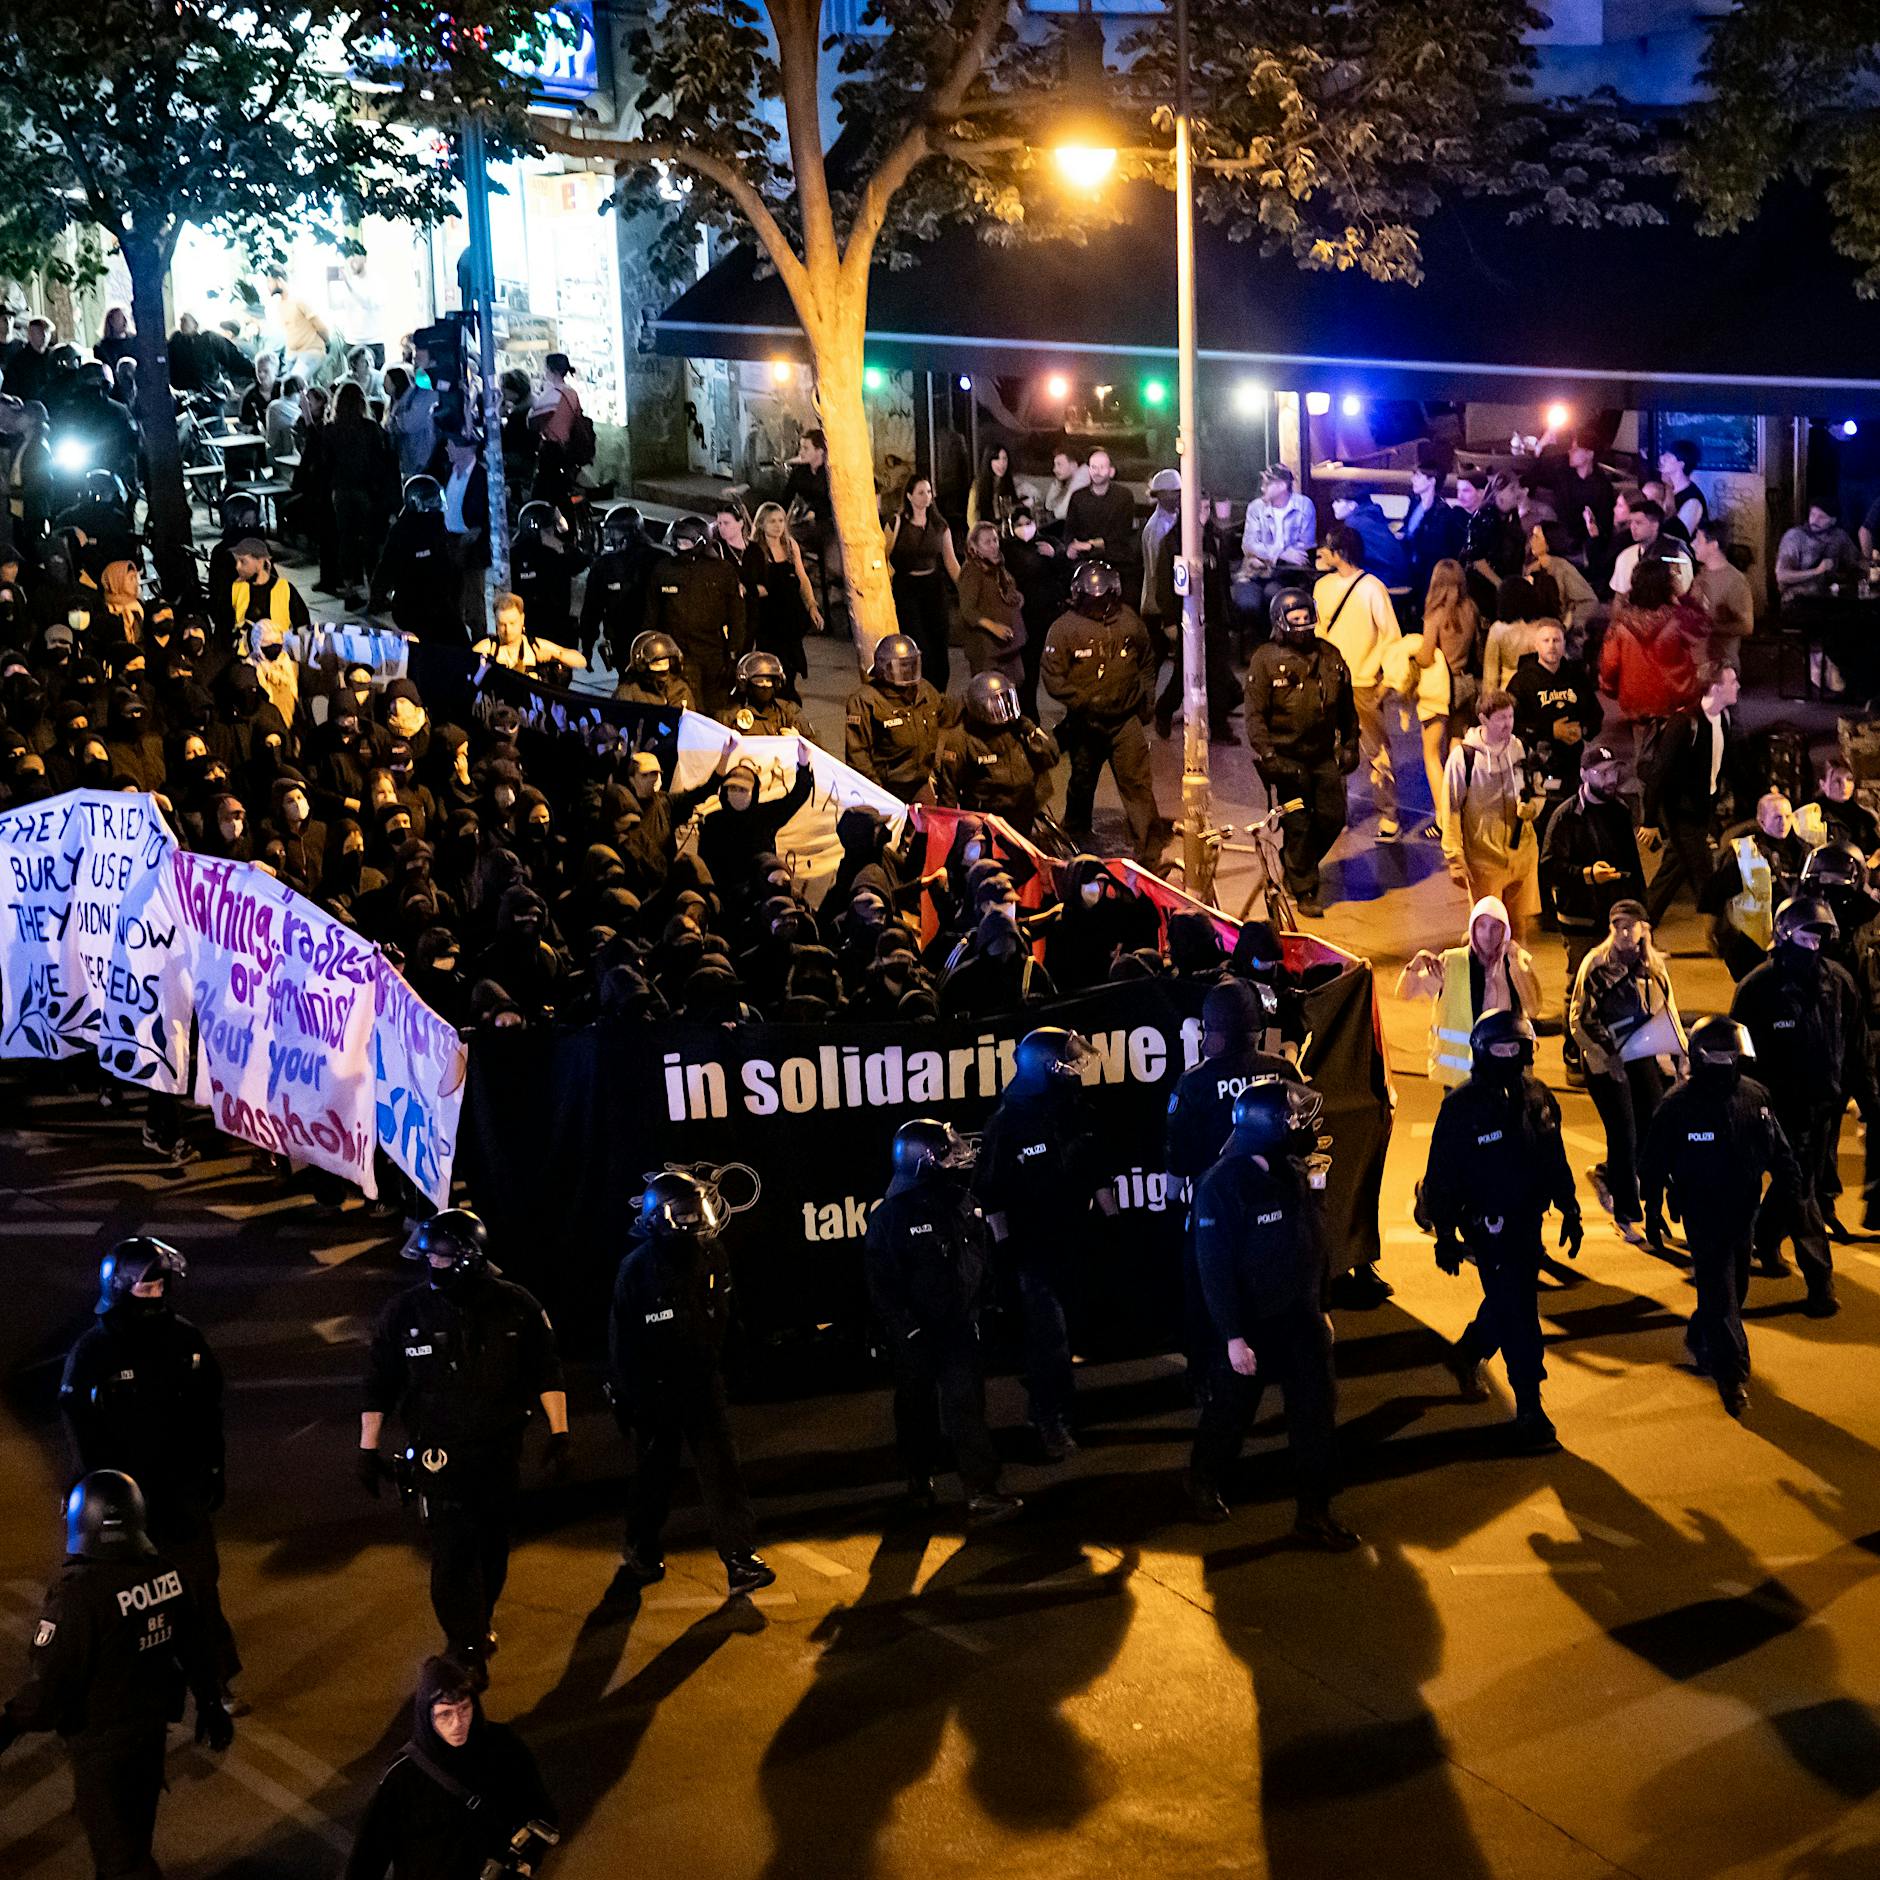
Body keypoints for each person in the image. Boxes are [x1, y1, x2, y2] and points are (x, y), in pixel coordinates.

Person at [359, 1210, 569, 1682]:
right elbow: (379, 1382)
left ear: (469, 1258)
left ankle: (480, 1619)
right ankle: (464, 1641)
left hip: (497, 1452)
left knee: (492, 1547)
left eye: (441, 1255)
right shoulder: (404, 1313)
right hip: (438, 1456)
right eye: (427, 1254)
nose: (431, 1261)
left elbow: (546, 1370)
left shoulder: (517, 1306)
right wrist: (367, 1447)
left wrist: (560, 1432)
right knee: (452, 1552)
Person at [0, 1472, 233, 1874]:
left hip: (102, 1750)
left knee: (121, 1862)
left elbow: (49, 1689)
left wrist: (7, 1726)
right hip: (149, 1736)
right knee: (133, 1842)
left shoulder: (78, 1597)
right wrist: (210, 1700)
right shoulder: (166, 1575)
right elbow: (195, 1643)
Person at [1185, 1077, 1360, 1546]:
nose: (1304, 1127)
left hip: (1300, 1320)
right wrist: (1232, 1337)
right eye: (1294, 1119)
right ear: (1265, 1126)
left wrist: (1320, 1306)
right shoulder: (1222, 1186)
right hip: (1249, 1327)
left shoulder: (1296, 1170)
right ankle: (1202, 1482)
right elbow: (1214, 1268)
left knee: (1316, 1417)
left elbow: (1314, 1245)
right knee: (1230, 1414)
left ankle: (1315, 1511)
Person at [59, 1237, 239, 1690]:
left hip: (181, 1490)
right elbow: (78, 1426)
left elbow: (209, 1409)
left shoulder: (186, 1339)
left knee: (197, 1586)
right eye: (147, 1287)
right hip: (124, 1496)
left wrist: (214, 1467)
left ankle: (214, 1683)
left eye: (162, 1285)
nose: (157, 1294)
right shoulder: (93, 1353)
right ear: (120, 1288)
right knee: (124, 1593)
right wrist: (87, 1487)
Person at [606, 1172, 775, 1598]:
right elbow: (622, 1344)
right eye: (683, 1213)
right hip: (655, 1392)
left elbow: (729, 1313)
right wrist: (630, 1400)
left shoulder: (712, 1253)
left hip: (703, 1384)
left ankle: (740, 1559)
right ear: (657, 1218)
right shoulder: (636, 1271)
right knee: (655, 1477)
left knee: (723, 1472)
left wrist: (738, 1365)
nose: (694, 1220)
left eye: (696, 1210)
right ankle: (641, 1544)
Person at [1422, 1011, 1583, 1451]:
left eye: (1517, 1049)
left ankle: (1466, 1352)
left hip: (1528, 1222)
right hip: (1486, 1226)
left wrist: (1569, 1207)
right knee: (1520, 1311)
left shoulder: (1539, 1098)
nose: (1510, 1057)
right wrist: (1445, 1235)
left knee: (1509, 1300)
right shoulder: (1461, 1107)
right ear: (1481, 1052)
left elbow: (1555, 1157)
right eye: (1500, 1049)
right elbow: (1441, 1177)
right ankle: (1530, 1406)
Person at [1640, 1018, 1800, 1419]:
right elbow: (1654, 1163)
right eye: (1721, 1056)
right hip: (1700, 1210)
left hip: (1743, 1208)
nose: (1728, 1063)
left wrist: (1792, 1189)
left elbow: (1779, 1150)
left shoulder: (1754, 1097)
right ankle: (1732, 1376)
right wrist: (1653, 1209)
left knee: (1736, 1286)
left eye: (1734, 1055)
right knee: (1721, 1291)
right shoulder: (1678, 1105)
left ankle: (1702, 1334)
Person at [865, 1119, 1023, 1521]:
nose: (959, 1158)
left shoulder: (963, 1202)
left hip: (958, 1329)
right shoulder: (891, 1218)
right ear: (924, 1161)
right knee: (916, 1411)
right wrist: (908, 1330)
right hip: (917, 1336)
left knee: (967, 1408)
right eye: (948, 1154)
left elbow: (979, 1259)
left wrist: (983, 1305)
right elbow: (881, 1284)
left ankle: (982, 1490)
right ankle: (918, 1481)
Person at [974, 1027, 1117, 1459]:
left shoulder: (1074, 1108)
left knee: (1070, 1329)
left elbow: (1095, 1170)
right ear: (1044, 1068)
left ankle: (1055, 1401)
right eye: (1069, 1063)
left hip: (1073, 1239)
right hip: (1031, 1249)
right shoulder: (1006, 1123)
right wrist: (1006, 1252)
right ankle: (1049, 1419)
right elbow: (991, 1192)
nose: (1077, 1070)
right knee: (1049, 1336)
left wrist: (1112, 1224)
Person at [1731, 895, 1874, 1315]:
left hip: (1824, 1109)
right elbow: (1740, 1057)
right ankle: (1820, 1282)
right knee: (1802, 1191)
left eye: (1820, 937)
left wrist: (1870, 1101)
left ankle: (1765, 1235)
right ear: (1785, 934)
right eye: (1807, 936)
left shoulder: (1839, 983)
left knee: (1798, 1184)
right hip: (1775, 1111)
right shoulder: (1757, 989)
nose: (1814, 945)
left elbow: (1856, 1047)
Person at [344, 1654, 557, 1880]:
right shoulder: (402, 1776)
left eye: (464, 1709)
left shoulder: (503, 1746)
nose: (458, 1723)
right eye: (445, 1714)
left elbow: (540, 1810)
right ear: (427, 1716)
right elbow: (368, 1857)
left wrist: (528, 1863)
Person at [1243, 585, 1358, 916]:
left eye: (1307, 618)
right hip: (1286, 760)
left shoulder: (1330, 656)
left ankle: (1295, 862)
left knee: (1332, 817)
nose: (1303, 624)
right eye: (1295, 619)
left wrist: (1350, 743)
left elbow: (1347, 707)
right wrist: (1267, 755)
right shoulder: (1265, 660)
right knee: (1298, 824)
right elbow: (1254, 715)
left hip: (1322, 756)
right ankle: (1305, 888)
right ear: (1281, 622)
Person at [1569, 900, 1685, 1225]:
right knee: (1623, 1132)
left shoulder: (1655, 967)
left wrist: (1681, 1058)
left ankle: (1613, 1177)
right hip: (1604, 1061)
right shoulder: (1595, 964)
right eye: (1617, 924)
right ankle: (1626, 1213)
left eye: (1629, 925)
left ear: (1643, 929)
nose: (1623, 931)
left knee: (1654, 1125)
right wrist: (1608, 1055)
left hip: (1641, 1054)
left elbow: (1669, 1014)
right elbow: (1579, 1019)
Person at [1041, 559, 1165, 863]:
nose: (1098, 605)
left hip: (1125, 721)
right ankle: (1075, 833)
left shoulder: (1129, 622)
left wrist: (1146, 700)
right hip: (1087, 722)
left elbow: (1148, 661)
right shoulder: (1064, 629)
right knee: (1082, 779)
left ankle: (1149, 849)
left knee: (1137, 783)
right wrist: (1083, 702)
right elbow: (1053, 677)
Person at [1540, 743, 1644, 1077]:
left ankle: (1612, 1048)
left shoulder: (1619, 810)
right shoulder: (1566, 816)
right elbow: (1550, 867)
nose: (1610, 778)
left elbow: (1632, 863)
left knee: (1617, 983)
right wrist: (1588, 875)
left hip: (1613, 916)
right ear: (1584, 775)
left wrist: (1640, 914)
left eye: (1613, 771)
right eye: (1602, 772)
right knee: (1580, 985)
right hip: (1580, 917)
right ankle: (1573, 1052)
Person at [1400, 894, 1545, 1090]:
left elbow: (1533, 1007)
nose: (1488, 934)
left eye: (1495, 927)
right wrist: (1413, 966)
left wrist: (1519, 968)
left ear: (1505, 931)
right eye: (1482, 926)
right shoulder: (1451, 963)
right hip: (1462, 1080)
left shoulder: (1514, 962)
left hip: (1507, 1073)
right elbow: (1405, 993)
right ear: (1472, 929)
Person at [1312, 521, 1401, 837]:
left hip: (1360, 682)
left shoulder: (1371, 588)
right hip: (1342, 681)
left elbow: (1391, 638)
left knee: (1374, 750)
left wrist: (1385, 679)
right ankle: (1342, 813)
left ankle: (1388, 813)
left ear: (1339, 551)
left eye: (1326, 546)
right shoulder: (1326, 587)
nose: (1321, 552)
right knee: (1337, 749)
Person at [1442, 689, 1542, 943]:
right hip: (1484, 860)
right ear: (1484, 719)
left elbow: (1538, 789)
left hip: (1522, 854)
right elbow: (1451, 808)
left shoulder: (1520, 749)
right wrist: (1454, 857)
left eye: (1510, 716)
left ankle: (1517, 977)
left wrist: (1533, 809)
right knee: (1488, 931)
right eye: (1501, 718)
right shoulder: (1464, 758)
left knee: (1519, 928)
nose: (1508, 723)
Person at [1643, 661, 1738, 927]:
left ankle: (1642, 924)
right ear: (1716, 688)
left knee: (1674, 870)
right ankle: (1723, 934)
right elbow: (1659, 772)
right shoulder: (1684, 723)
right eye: (1732, 682)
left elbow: (1726, 765)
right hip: (1681, 813)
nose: (1738, 686)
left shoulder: (1723, 719)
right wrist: (1649, 820)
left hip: (1703, 810)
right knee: (1705, 872)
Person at [644, 513, 749, 715]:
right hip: (676, 654)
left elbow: (737, 616)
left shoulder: (722, 571)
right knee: (681, 710)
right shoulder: (664, 570)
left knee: (714, 712)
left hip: (712, 655)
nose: (680, 546)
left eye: (686, 542)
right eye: (678, 541)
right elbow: (651, 614)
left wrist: (734, 654)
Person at [930, 669, 1058, 833]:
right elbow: (949, 789)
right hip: (990, 816)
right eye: (995, 704)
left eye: (1005, 701)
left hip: (1024, 807)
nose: (1002, 710)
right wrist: (947, 828)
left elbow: (1051, 757)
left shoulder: (1017, 728)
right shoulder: (961, 739)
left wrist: (1032, 732)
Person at [1701, 788, 1804, 982]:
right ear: (1761, 820)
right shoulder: (1746, 855)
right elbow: (1714, 892)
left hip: (1792, 938)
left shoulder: (1802, 849)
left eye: (1787, 816)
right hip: (1752, 946)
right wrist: (1710, 935)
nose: (1784, 822)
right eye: (1777, 818)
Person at [844, 631, 956, 799]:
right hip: (886, 788)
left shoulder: (924, 690)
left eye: (911, 665)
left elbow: (949, 717)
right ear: (883, 668)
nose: (907, 671)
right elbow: (858, 755)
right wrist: (877, 793)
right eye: (900, 666)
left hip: (920, 783)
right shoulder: (866, 701)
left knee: (931, 822)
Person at [1508, 618, 1599, 816]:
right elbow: (1512, 725)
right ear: (1536, 645)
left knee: (1572, 816)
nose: (1551, 646)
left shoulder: (1576, 676)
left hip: (1572, 764)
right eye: (1546, 640)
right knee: (1545, 820)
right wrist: (1550, 731)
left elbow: (1595, 714)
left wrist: (1582, 729)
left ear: (1564, 643)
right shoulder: (1522, 681)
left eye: (1556, 640)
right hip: (1538, 767)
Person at [1599, 557, 1707, 723]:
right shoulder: (1679, 619)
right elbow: (1703, 627)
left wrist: (1610, 689)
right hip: (1675, 699)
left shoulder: (1620, 624)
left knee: (1642, 746)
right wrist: (1682, 596)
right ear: (1667, 586)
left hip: (1634, 702)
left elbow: (1610, 664)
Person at [884, 475, 960, 686]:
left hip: (933, 587)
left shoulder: (940, 526)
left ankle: (939, 691)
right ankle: (921, 688)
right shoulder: (897, 523)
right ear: (909, 496)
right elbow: (883, 555)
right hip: (907, 588)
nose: (926, 497)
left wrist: (966, 589)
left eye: (928, 492)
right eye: (920, 492)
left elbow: (951, 562)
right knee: (918, 641)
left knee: (939, 641)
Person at [371, 474, 464, 643]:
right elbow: (386, 567)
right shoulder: (402, 531)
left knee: (460, 645)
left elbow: (447, 562)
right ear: (417, 502)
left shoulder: (437, 524)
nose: (437, 504)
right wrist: (377, 595)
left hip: (441, 604)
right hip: (413, 607)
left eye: (437, 499)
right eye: (431, 500)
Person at [743, 500, 821, 687]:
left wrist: (811, 605)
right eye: (772, 521)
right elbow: (750, 585)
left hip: (790, 618)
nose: (778, 526)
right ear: (762, 523)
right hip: (770, 621)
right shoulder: (755, 551)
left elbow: (802, 577)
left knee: (791, 668)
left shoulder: (790, 545)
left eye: (781, 520)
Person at [583, 503, 669, 670]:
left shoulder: (606, 566)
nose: (609, 537)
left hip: (633, 638)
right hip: (643, 639)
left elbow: (591, 611)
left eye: (614, 532)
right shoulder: (661, 558)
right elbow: (592, 610)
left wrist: (587, 646)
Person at [1237, 463, 1317, 628]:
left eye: (1267, 484)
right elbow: (1249, 544)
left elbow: (1304, 547)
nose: (1262, 488)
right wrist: (1280, 553)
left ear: (1282, 486)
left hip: (1288, 573)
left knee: (1273, 594)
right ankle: (1263, 644)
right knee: (1247, 603)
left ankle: (1278, 642)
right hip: (1255, 572)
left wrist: (1266, 556)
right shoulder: (1256, 508)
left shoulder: (1304, 506)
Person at [955, 517, 1026, 684]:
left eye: (995, 540)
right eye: (987, 542)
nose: (994, 545)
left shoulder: (997, 565)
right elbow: (968, 610)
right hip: (988, 650)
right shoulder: (972, 572)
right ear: (975, 547)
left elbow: (1004, 592)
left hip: (1009, 647)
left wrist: (1016, 598)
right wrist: (994, 627)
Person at [1064, 447, 1140, 598]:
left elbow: (1122, 533)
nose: (1097, 471)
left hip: (1115, 556)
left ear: (1111, 471)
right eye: (1093, 467)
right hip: (1085, 558)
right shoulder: (1078, 497)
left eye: (1102, 467)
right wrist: (1070, 546)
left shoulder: (1124, 496)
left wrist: (1091, 544)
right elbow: (1069, 529)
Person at [439, 433, 492, 638]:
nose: (447, 449)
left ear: (465, 448)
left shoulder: (482, 476)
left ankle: (480, 643)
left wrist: (476, 532)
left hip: (471, 544)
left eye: (451, 445)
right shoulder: (449, 471)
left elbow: (488, 513)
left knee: (473, 600)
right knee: (453, 598)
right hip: (450, 540)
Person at [1400, 457, 1467, 618]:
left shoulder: (1444, 515)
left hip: (1430, 578)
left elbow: (1441, 549)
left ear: (1432, 481)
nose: (1413, 479)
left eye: (1418, 476)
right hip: (1412, 573)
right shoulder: (1414, 504)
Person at [472, 589, 586, 678]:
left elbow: (581, 661)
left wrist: (556, 655)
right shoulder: (487, 647)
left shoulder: (534, 647)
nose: (507, 630)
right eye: (502, 624)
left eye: (512, 623)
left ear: (522, 619)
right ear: (496, 622)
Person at [1690, 520, 1753, 668]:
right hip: (1697, 662)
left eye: (1698, 540)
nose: (1693, 544)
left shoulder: (1735, 581)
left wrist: (1711, 627)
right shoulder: (1701, 574)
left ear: (1714, 545)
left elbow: (1746, 626)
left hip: (1720, 668)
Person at [528, 350, 585, 512]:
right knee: (561, 490)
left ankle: (550, 528)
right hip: (568, 448)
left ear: (551, 370)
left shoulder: (553, 394)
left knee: (543, 493)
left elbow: (533, 421)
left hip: (551, 449)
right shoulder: (571, 393)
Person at [1775, 500, 1860, 602]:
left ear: (1833, 521)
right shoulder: (1795, 537)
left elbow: (1856, 562)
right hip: (1798, 597)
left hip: (1830, 596)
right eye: (1813, 514)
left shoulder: (1839, 536)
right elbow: (1782, 575)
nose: (1815, 520)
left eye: (1821, 517)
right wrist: (1816, 571)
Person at [722, 649, 818, 739]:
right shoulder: (731, 716)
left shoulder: (788, 711)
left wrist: (799, 740)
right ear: (747, 684)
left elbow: (816, 749)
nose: (764, 685)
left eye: (768, 680)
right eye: (758, 681)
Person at [1329, 487, 1409, 588]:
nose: (1333, 505)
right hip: (1397, 576)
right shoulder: (1371, 517)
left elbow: (1347, 559)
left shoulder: (1353, 523)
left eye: (1338, 501)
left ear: (1352, 505)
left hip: (1382, 578)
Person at [230, 537, 310, 632]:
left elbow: (303, 627)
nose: (237, 566)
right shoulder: (237, 587)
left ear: (260, 561)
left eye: (243, 561)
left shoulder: (285, 589)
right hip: (244, 646)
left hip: (279, 645)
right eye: (237, 561)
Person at [1812, 751, 1880, 859]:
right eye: (1837, 781)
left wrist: (1869, 864)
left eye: (1849, 779)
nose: (1844, 786)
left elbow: (1875, 850)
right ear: (1823, 784)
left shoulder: (1863, 817)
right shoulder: (1813, 815)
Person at [384, 363, 438, 483]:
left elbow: (408, 424)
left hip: (420, 456)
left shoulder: (418, 398)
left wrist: (394, 420)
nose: (384, 385)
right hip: (407, 459)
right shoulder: (394, 402)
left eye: (387, 382)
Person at [966, 443, 1019, 530]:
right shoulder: (979, 485)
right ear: (989, 461)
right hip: (986, 532)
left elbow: (1012, 510)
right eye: (997, 459)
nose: (1002, 463)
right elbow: (972, 518)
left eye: (1004, 459)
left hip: (1005, 530)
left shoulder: (1007, 481)